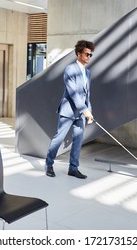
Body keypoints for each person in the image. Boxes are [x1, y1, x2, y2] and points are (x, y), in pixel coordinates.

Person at [45, 40, 95, 179]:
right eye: (87, 54)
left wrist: (88, 111)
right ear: (79, 54)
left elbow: (87, 94)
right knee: (58, 139)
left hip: (81, 113)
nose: (89, 57)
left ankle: (73, 168)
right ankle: (49, 164)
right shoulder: (70, 69)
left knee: (78, 141)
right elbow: (73, 92)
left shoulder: (88, 73)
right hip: (68, 111)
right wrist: (84, 109)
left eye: (91, 55)